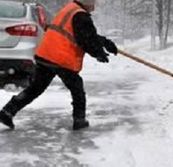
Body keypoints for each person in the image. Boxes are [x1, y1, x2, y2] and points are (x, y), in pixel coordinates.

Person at [0, 0, 118, 130]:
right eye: (93, 3)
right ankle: (79, 120)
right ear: (87, 3)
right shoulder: (81, 15)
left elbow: (83, 34)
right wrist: (98, 53)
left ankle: (8, 111)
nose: (95, 6)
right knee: (77, 88)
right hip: (60, 57)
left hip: (46, 55)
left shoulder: (71, 9)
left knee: (35, 88)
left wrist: (106, 43)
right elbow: (85, 38)